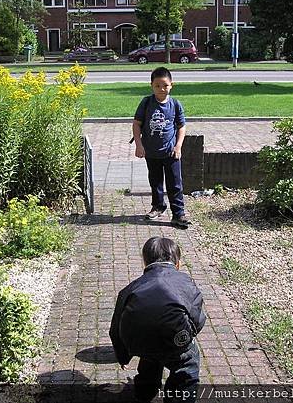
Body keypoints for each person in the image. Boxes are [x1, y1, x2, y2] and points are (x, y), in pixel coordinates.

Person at [110, 237, 205, 403]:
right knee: (187, 364)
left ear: (144, 262)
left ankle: (145, 393)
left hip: (139, 341)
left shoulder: (131, 288)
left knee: (150, 356)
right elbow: (197, 315)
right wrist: (191, 332)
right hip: (175, 339)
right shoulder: (185, 282)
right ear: (178, 264)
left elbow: (115, 327)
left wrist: (123, 356)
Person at [133, 67, 191, 228]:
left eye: (165, 85)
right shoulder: (146, 103)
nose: (161, 89)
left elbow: (181, 127)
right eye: (157, 86)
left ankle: (178, 214)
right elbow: (137, 124)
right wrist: (139, 144)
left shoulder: (175, 104)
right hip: (151, 152)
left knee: (175, 183)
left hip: (171, 152)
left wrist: (178, 146)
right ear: (151, 86)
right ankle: (158, 206)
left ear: (172, 85)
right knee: (155, 181)